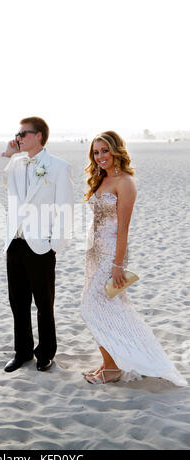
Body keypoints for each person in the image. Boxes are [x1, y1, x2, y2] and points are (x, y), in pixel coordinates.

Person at [81, 130, 187, 386]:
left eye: (105, 150)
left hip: (111, 256)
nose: (100, 157)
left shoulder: (125, 182)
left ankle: (114, 366)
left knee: (91, 307)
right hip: (94, 253)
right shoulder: (101, 179)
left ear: (116, 150)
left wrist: (118, 264)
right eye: (96, 152)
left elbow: (123, 228)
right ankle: (110, 364)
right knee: (106, 308)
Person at [0, 117, 74, 373]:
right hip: (15, 243)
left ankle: (46, 353)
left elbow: (65, 208)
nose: (18, 137)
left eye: (23, 133)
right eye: (17, 133)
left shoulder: (58, 167)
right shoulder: (14, 164)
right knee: (17, 302)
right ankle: (22, 352)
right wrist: (6, 154)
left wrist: (55, 244)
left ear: (39, 136)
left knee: (44, 303)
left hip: (42, 245)